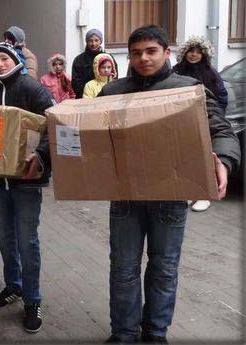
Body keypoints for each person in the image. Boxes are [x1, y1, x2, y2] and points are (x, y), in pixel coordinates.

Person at [98, 25, 240, 344]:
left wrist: (224, 161)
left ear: (166, 53)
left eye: (151, 51)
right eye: (136, 53)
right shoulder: (112, 93)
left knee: (163, 269)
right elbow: (90, 139)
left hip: (171, 197)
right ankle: (124, 333)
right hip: (125, 197)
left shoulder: (189, 89)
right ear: (129, 56)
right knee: (123, 269)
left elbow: (222, 132)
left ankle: (155, 333)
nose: (143, 58)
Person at [0, 42, 54, 334]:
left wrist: (42, 155)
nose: (0, 64)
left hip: (27, 180)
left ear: (15, 59)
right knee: (5, 236)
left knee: (26, 240)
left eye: (4, 58)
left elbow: (53, 125)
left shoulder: (32, 89)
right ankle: (13, 286)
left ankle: (32, 300)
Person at [173, 35, 229, 213]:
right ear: (185, 52)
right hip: (181, 120)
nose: (194, 55)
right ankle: (189, 191)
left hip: (204, 120)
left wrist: (213, 116)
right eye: (191, 51)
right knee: (184, 156)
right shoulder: (176, 71)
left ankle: (204, 194)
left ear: (204, 55)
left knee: (204, 156)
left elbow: (221, 96)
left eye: (198, 52)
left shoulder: (210, 72)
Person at [71, 28, 118, 98]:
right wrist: (88, 93)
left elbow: (115, 78)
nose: (93, 43)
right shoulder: (79, 60)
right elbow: (76, 83)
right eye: (90, 41)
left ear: (100, 41)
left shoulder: (108, 57)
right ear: (87, 42)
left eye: (96, 40)